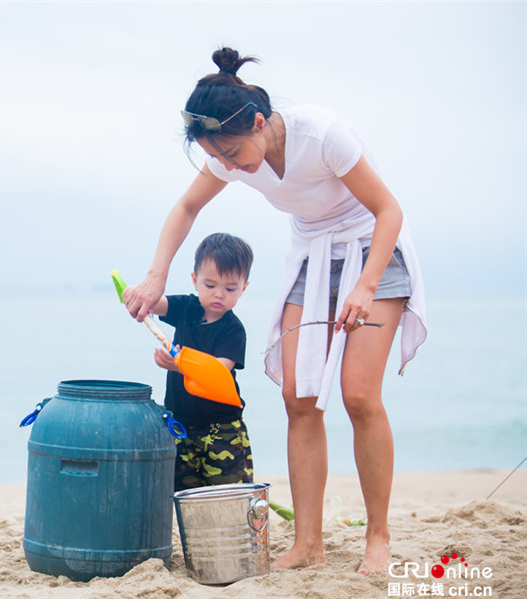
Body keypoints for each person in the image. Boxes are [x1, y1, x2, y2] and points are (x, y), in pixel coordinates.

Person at [122, 48, 426, 574]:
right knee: (298, 397)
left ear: (259, 122)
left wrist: (365, 285)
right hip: (312, 258)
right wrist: (155, 276)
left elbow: (388, 210)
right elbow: (186, 207)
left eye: (236, 152)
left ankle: (378, 535)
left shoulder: (323, 134)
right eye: (221, 157)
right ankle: (308, 542)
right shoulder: (228, 153)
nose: (233, 166)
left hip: (373, 252)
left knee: (358, 394)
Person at [130, 232, 254, 492]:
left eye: (230, 289)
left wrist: (179, 365)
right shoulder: (188, 307)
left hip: (222, 429)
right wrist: (138, 296)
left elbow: (218, 372)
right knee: (184, 492)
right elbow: (156, 305)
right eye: (210, 286)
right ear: (195, 281)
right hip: (181, 424)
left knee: (228, 492)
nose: (219, 294)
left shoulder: (233, 330)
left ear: (243, 288)